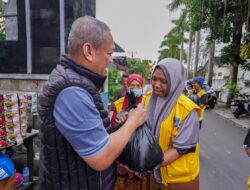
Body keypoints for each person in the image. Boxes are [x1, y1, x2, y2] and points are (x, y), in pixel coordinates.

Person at [38, 16, 146, 190]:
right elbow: (101, 157)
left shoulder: (76, 82)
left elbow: (94, 133)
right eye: (109, 53)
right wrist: (133, 122)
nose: (111, 60)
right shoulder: (72, 92)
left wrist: (120, 125)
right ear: (88, 50)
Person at [147, 58, 201, 190]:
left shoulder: (187, 110)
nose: (157, 85)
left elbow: (180, 149)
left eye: (163, 81)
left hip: (180, 179)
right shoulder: (148, 99)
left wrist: (148, 163)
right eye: (154, 79)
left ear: (175, 81)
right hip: (155, 174)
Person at [111, 73, 151, 190]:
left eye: (138, 86)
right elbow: (112, 127)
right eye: (132, 86)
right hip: (123, 156)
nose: (134, 89)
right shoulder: (119, 105)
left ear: (142, 87)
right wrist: (122, 122)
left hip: (141, 154)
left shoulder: (147, 105)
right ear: (127, 87)